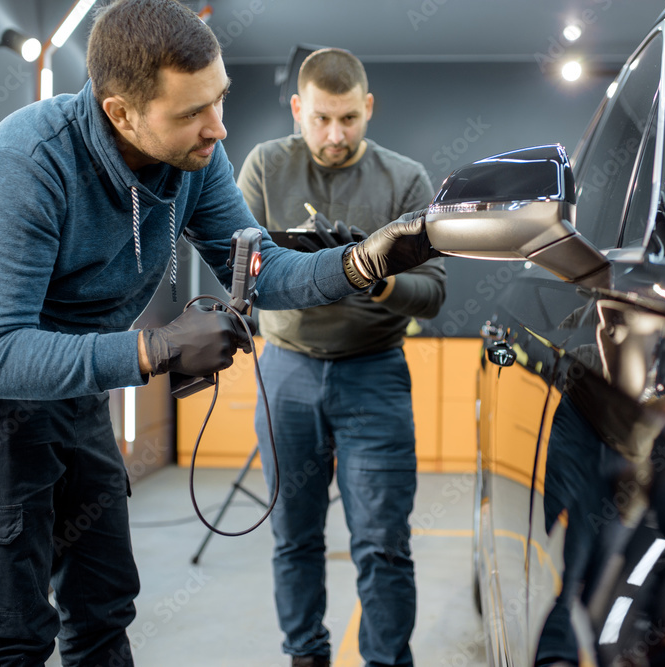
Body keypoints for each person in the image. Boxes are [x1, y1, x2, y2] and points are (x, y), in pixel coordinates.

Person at [0, 3, 439, 665]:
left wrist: (365, 260)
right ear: (121, 113)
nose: (217, 128)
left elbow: (262, 271)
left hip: (80, 359)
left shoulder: (196, 156)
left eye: (219, 100)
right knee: (16, 625)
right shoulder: (26, 164)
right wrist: (155, 347)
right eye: (192, 112)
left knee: (104, 598)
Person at [236, 48, 447, 667]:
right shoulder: (265, 167)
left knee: (382, 543)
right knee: (292, 539)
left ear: (368, 108)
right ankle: (305, 655)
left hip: (374, 373)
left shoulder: (404, 180)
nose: (335, 134)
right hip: (287, 370)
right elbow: (239, 274)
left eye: (350, 119)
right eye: (322, 118)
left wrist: (375, 277)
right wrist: (329, 269)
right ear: (298, 109)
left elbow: (432, 296)